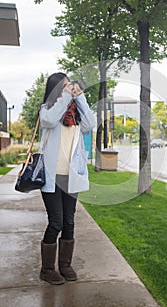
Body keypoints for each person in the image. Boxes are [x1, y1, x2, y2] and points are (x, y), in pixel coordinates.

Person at [38, 72, 95, 285]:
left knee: (69, 222)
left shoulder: (77, 113)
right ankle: (46, 269)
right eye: (65, 86)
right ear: (55, 89)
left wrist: (79, 97)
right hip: (51, 177)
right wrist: (65, 97)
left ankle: (65, 265)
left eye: (70, 85)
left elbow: (91, 124)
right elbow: (49, 121)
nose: (69, 88)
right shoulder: (47, 110)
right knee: (56, 222)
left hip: (72, 177)